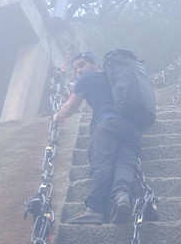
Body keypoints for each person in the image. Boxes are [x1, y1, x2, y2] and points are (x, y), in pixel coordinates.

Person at [53, 51, 142, 224]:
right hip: (132, 128)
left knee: (102, 163)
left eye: (82, 64)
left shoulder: (87, 79)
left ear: (95, 65)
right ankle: (121, 196)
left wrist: (55, 118)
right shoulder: (115, 78)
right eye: (76, 68)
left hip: (107, 124)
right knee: (125, 163)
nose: (79, 70)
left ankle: (95, 209)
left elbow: (70, 107)